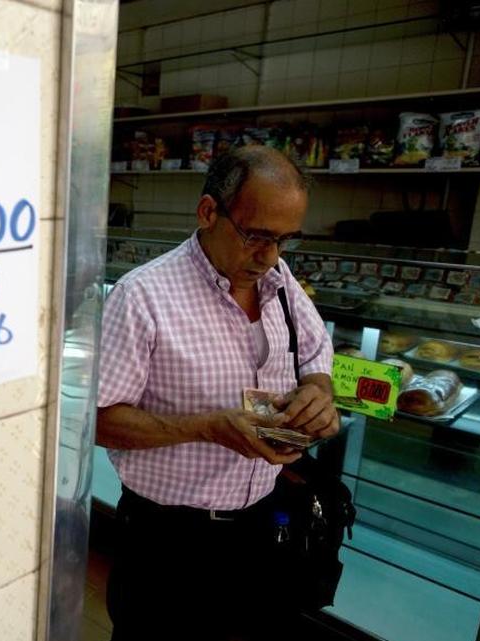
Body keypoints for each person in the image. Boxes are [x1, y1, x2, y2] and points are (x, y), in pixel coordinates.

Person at [96, 146, 339, 640]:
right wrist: (206, 426)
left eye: (285, 240)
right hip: (168, 540)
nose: (270, 257)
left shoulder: (280, 280)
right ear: (209, 212)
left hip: (262, 526)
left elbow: (315, 352)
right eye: (256, 236)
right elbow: (99, 421)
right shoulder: (143, 296)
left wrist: (318, 390)